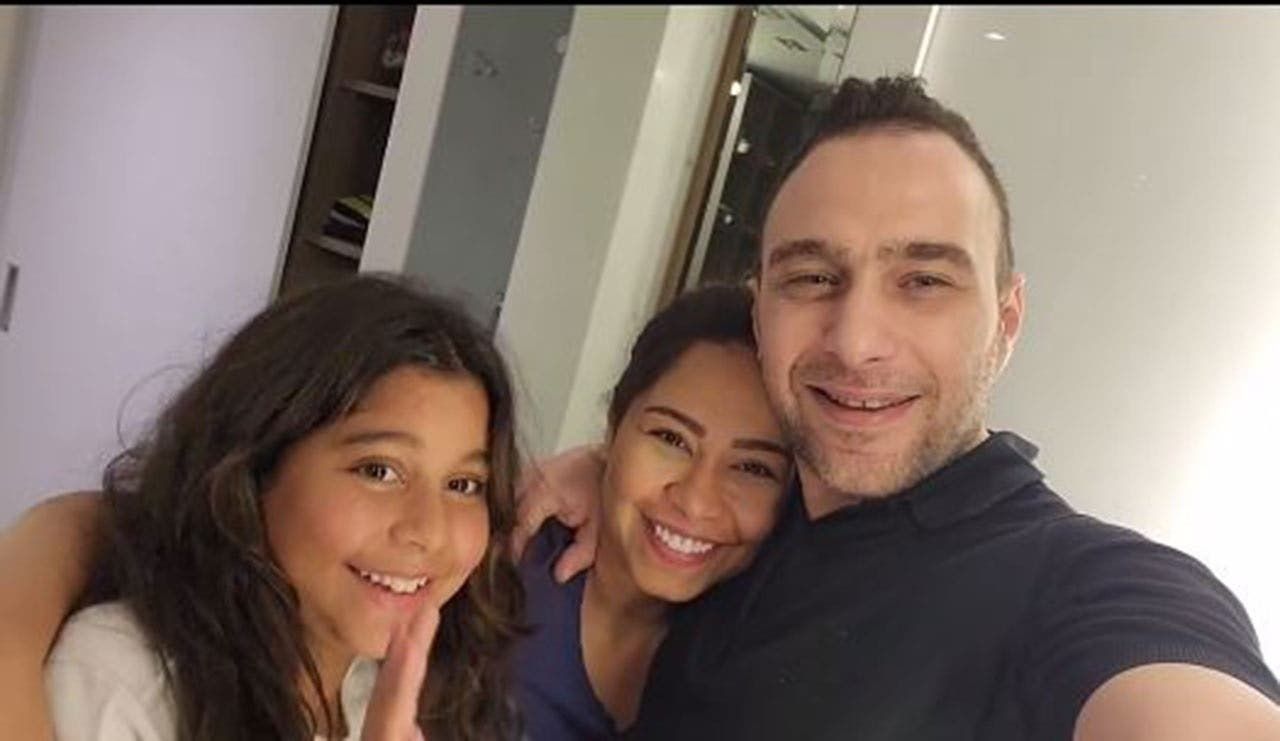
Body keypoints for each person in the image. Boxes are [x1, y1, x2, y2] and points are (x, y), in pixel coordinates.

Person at [518, 75, 1280, 739]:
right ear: (761, 313)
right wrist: (608, 470)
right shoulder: (751, 518)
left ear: (1006, 322)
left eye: (923, 281)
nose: (855, 343)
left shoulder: (1078, 584)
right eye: (813, 278)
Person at [26, 275, 525, 739]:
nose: (428, 530)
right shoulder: (125, 679)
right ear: (255, 468)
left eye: (464, 484)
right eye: (378, 471)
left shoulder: (415, 691)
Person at [513, 284, 791, 738]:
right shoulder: (496, 582)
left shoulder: (764, 647)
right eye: (671, 439)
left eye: (752, 468)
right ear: (614, 428)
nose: (696, 501)